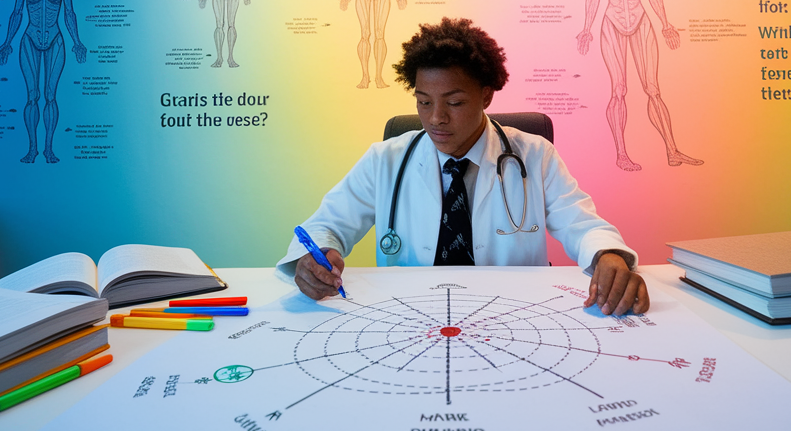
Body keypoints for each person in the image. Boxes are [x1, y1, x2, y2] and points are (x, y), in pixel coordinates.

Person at [277, 17, 649, 315]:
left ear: (486, 95)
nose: (435, 118)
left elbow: (581, 224)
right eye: (423, 102)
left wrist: (608, 255)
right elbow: (325, 227)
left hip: (511, 315)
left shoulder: (534, 155)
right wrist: (315, 258)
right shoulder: (385, 159)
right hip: (410, 315)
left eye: (453, 102)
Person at [577, 0, 701, 171]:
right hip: (612, 22)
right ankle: (622, 154)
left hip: (640, 20)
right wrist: (586, 28)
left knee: (653, 89)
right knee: (618, 90)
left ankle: (672, 150)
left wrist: (666, 24)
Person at [0, 0, 87, 163]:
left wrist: (77, 41)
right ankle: (32, 149)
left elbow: (69, 13)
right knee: (31, 97)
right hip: (30, 38)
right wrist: (7, 41)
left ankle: (48, 149)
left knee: (50, 96)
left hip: (56, 38)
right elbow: (17, 13)